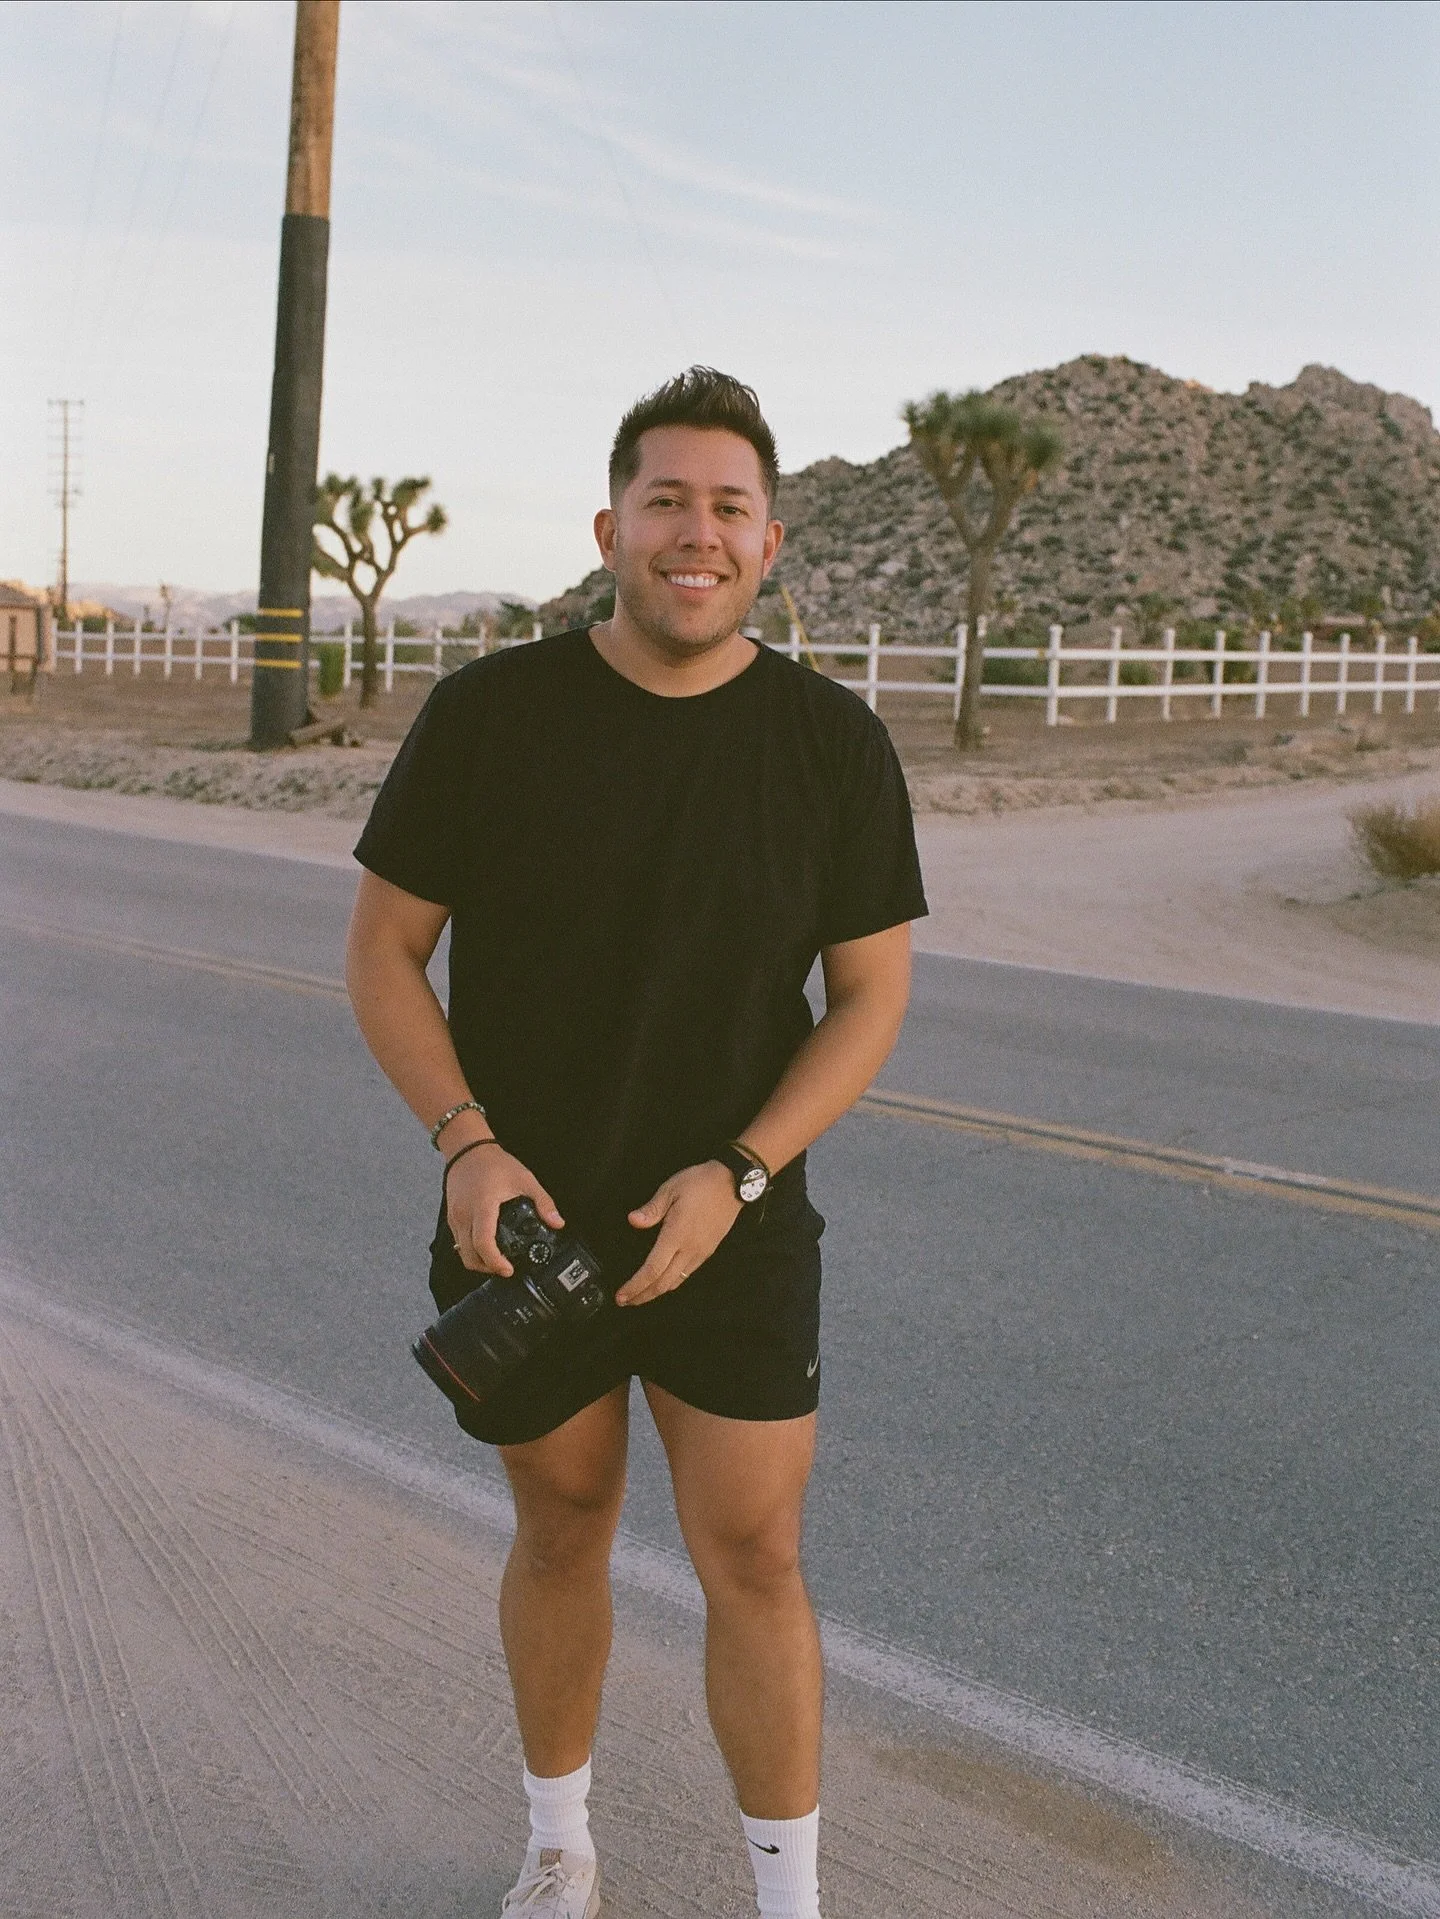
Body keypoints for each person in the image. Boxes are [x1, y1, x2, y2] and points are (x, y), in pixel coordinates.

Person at [346, 367, 927, 1919]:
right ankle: (559, 1844)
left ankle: (786, 1898)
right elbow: (384, 950)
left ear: (773, 541)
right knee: (561, 1525)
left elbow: (871, 995)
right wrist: (466, 1143)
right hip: (522, 1222)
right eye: (666, 499)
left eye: (729, 506)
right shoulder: (490, 716)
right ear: (611, 526)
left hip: (729, 1219)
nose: (697, 531)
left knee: (755, 1555)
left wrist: (740, 1172)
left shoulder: (828, 743)